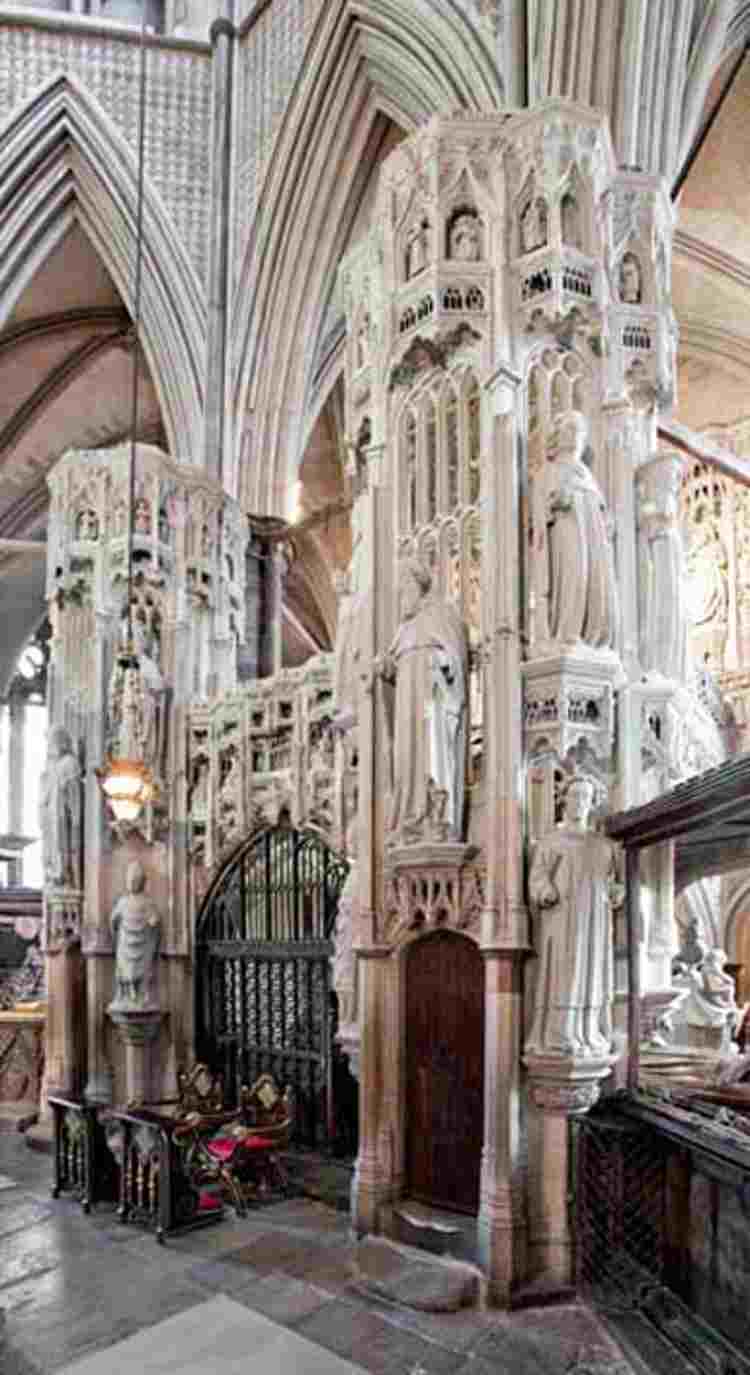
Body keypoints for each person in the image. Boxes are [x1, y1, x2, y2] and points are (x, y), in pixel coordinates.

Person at [526, 776, 622, 1058]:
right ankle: (560, 1033)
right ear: (563, 799)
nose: (579, 802)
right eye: (575, 795)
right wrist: (545, 890)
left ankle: (589, 1030)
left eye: (585, 797)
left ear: (592, 803)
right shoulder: (552, 842)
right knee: (565, 972)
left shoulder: (603, 845)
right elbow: (537, 877)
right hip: (563, 918)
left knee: (592, 973)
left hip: (595, 923)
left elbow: (610, 881)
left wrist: (616, 892)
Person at [378, 556, 467, 843]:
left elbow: (456, 658)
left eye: (404, 586)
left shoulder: (442, 615)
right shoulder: (404, 628)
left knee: (431, 754)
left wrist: (439, 660)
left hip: (432, 702)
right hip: (406, 704)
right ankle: (410, 819)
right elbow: (393, 668)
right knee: (406, 757)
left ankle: (434, 816)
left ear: (418, 585)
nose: (401, 594)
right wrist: (385, 666)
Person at [538, 410, 619, 651]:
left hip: (593, 539)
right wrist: (558, 500)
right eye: (569, 428)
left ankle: (592, 636)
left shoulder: (588, 476)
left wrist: (605, 519)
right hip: (568, 533)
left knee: (595, 584)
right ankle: (567, 632)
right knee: (574, 577)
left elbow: (602, 510)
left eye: (579, 430)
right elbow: (541, 506)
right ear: (556, 436)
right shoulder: (549, 471)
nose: (575, 434)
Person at [109, 860, 161, 1010]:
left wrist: (154, 922)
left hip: (143, 946)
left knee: (144, 971)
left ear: (142, 882)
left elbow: (155, 920)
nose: (132, 882)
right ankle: (124, 995)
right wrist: (116, 930)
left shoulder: (148, 902)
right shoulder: (123, 902)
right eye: (130, 880)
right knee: (125, 972)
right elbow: (113, 921)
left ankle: (143, 996)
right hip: (125, 945)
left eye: (136, 880)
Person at [39, 726, 82, 890]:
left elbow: (74, 794)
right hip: (51, 814)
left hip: (62, 815)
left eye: (51, 741)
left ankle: (63, 876)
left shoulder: (70, 763)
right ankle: (54, 875)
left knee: (61, 845)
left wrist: (76, 817)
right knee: (52, 846)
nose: (49, 746)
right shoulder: (53, 765)